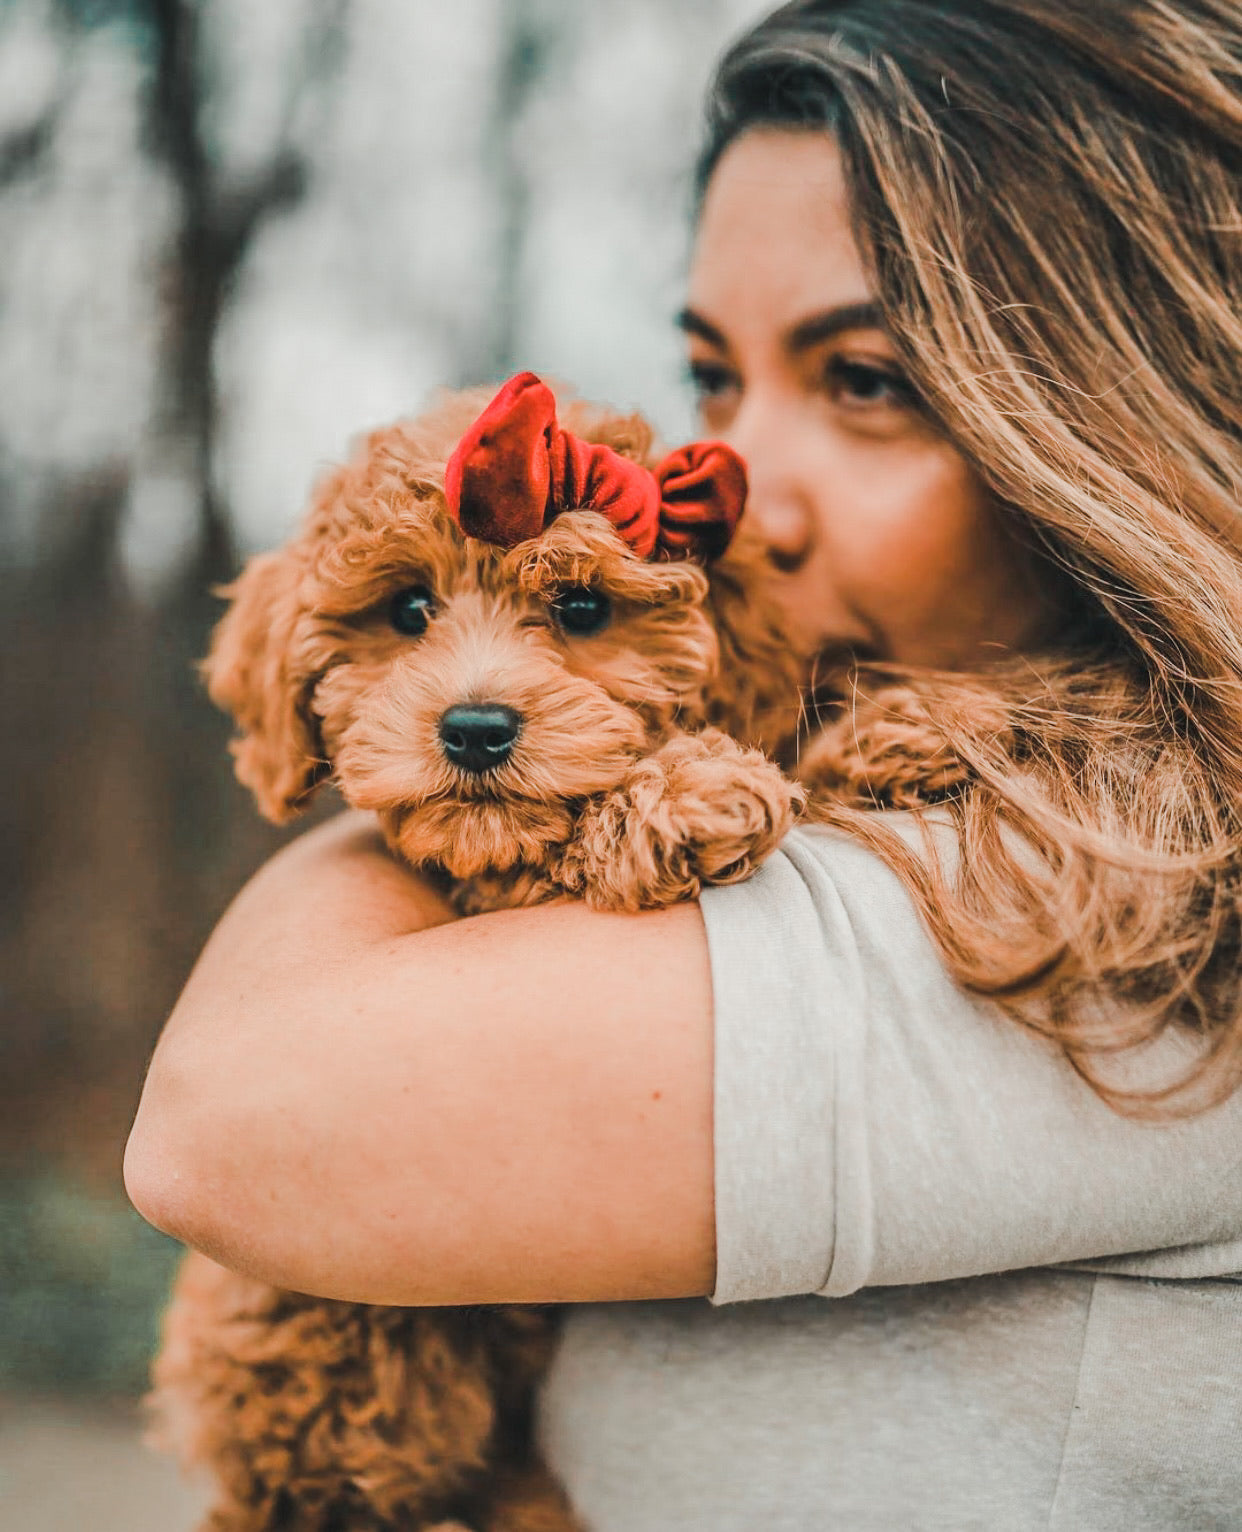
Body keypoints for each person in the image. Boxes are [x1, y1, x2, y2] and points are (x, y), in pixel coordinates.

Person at [125, 1, 1242, 1526]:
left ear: (1115, 412)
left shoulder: (1119, 909)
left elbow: (230, 1128)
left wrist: (393, 802)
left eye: (865, 381)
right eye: (714, 380)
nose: (735, 501)